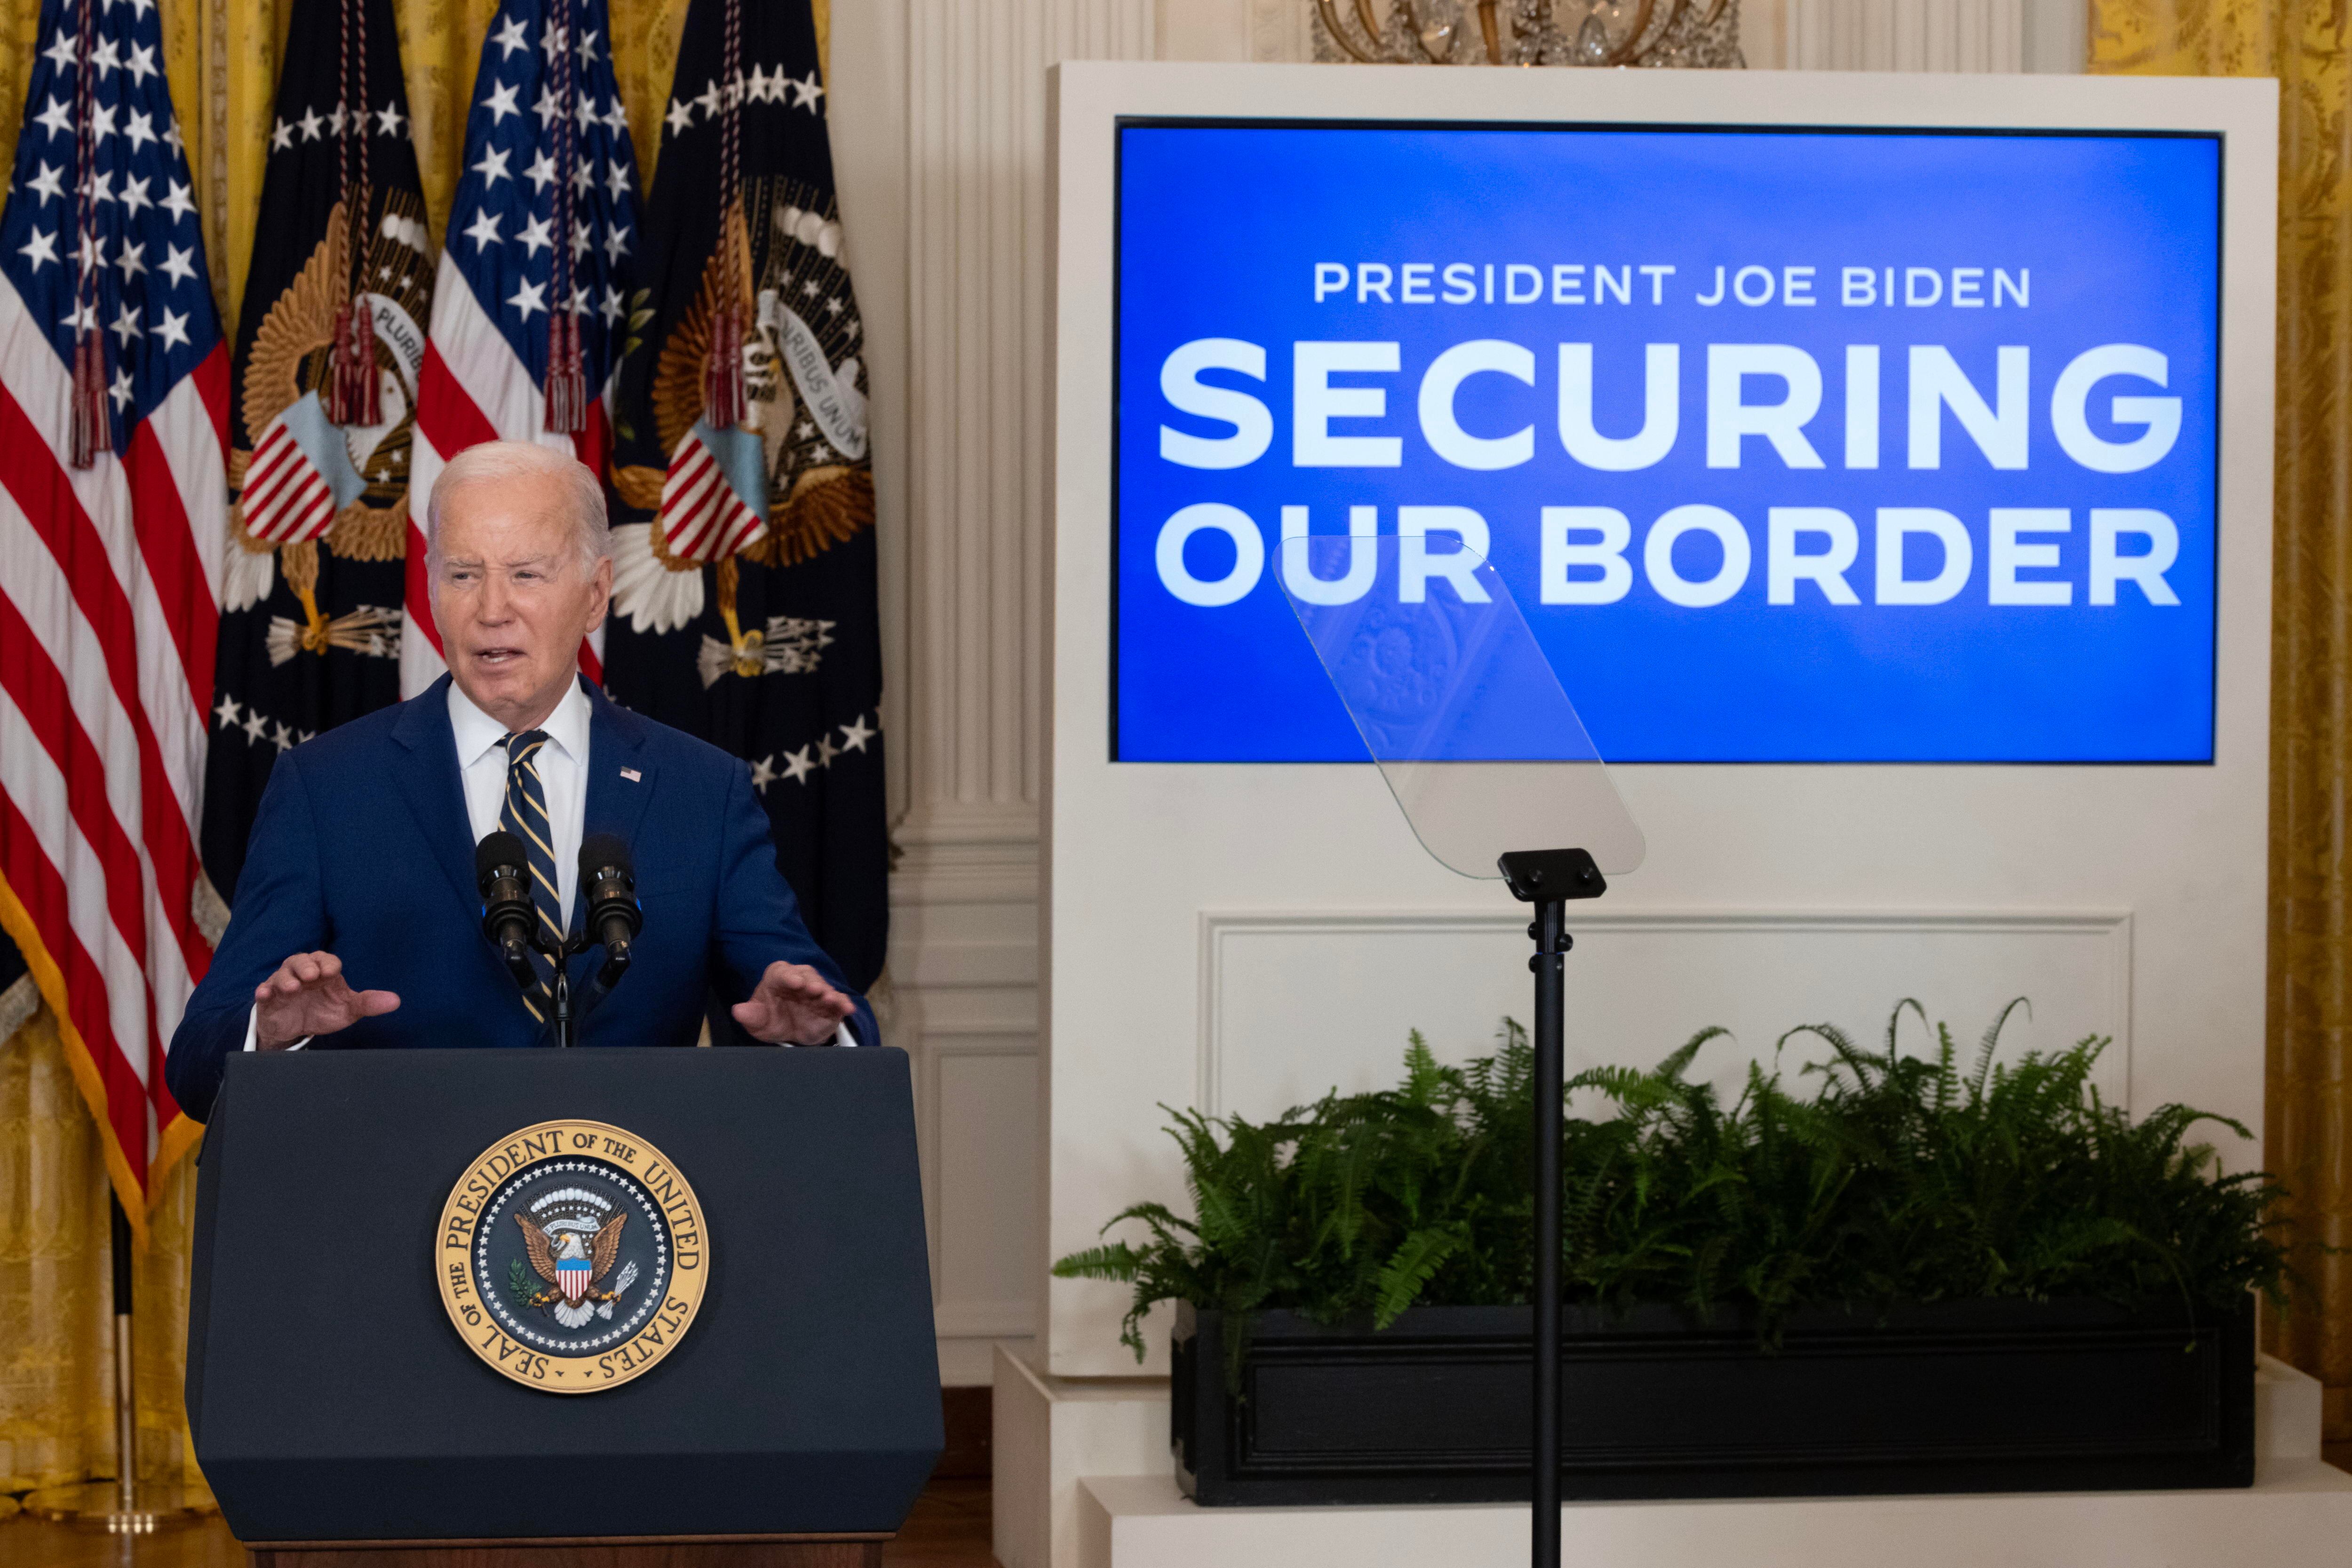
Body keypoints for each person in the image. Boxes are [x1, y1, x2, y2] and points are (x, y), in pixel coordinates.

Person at [166, 441, 872, 1122]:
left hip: (629, 1211)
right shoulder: (327, 789)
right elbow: (197, 1065)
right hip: (397, 1216)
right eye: (464, 573)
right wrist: (273, 1028)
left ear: (596, 594)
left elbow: (826, 1010)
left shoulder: (701, 791)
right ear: (433, 587)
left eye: (526, 573)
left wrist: (809, 1032)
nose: (491, 608)